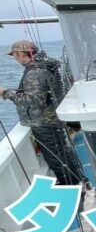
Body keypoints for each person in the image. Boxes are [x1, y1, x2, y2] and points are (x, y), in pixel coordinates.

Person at [1, 40, 84, 186]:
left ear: (21, 54)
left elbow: (34, 100)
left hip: (44, 123)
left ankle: (73, 186)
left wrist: (6, 93)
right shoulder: (44, 66)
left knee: (56, 159)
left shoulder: (34, 73)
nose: (15, 59)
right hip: (51, 119)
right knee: (62, 154)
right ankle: (76, 182)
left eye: (15, 55)